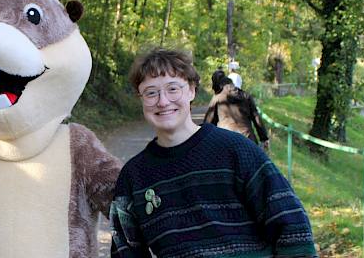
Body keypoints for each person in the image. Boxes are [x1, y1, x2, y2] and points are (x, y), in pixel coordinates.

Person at [110, 48, 316, 257]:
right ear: (141, 98)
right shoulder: (133, 177)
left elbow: (293, 229)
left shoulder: (237, 151)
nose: (163, 101)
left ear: (192, 90)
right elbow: (125, 251)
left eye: (173, 89)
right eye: (151, 92)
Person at [205, 70, 270, 151]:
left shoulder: (217, 97)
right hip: (248, 140)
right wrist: (264, 138)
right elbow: (256, 118)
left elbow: (208, 123)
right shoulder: (246, 96)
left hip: (225, 140)